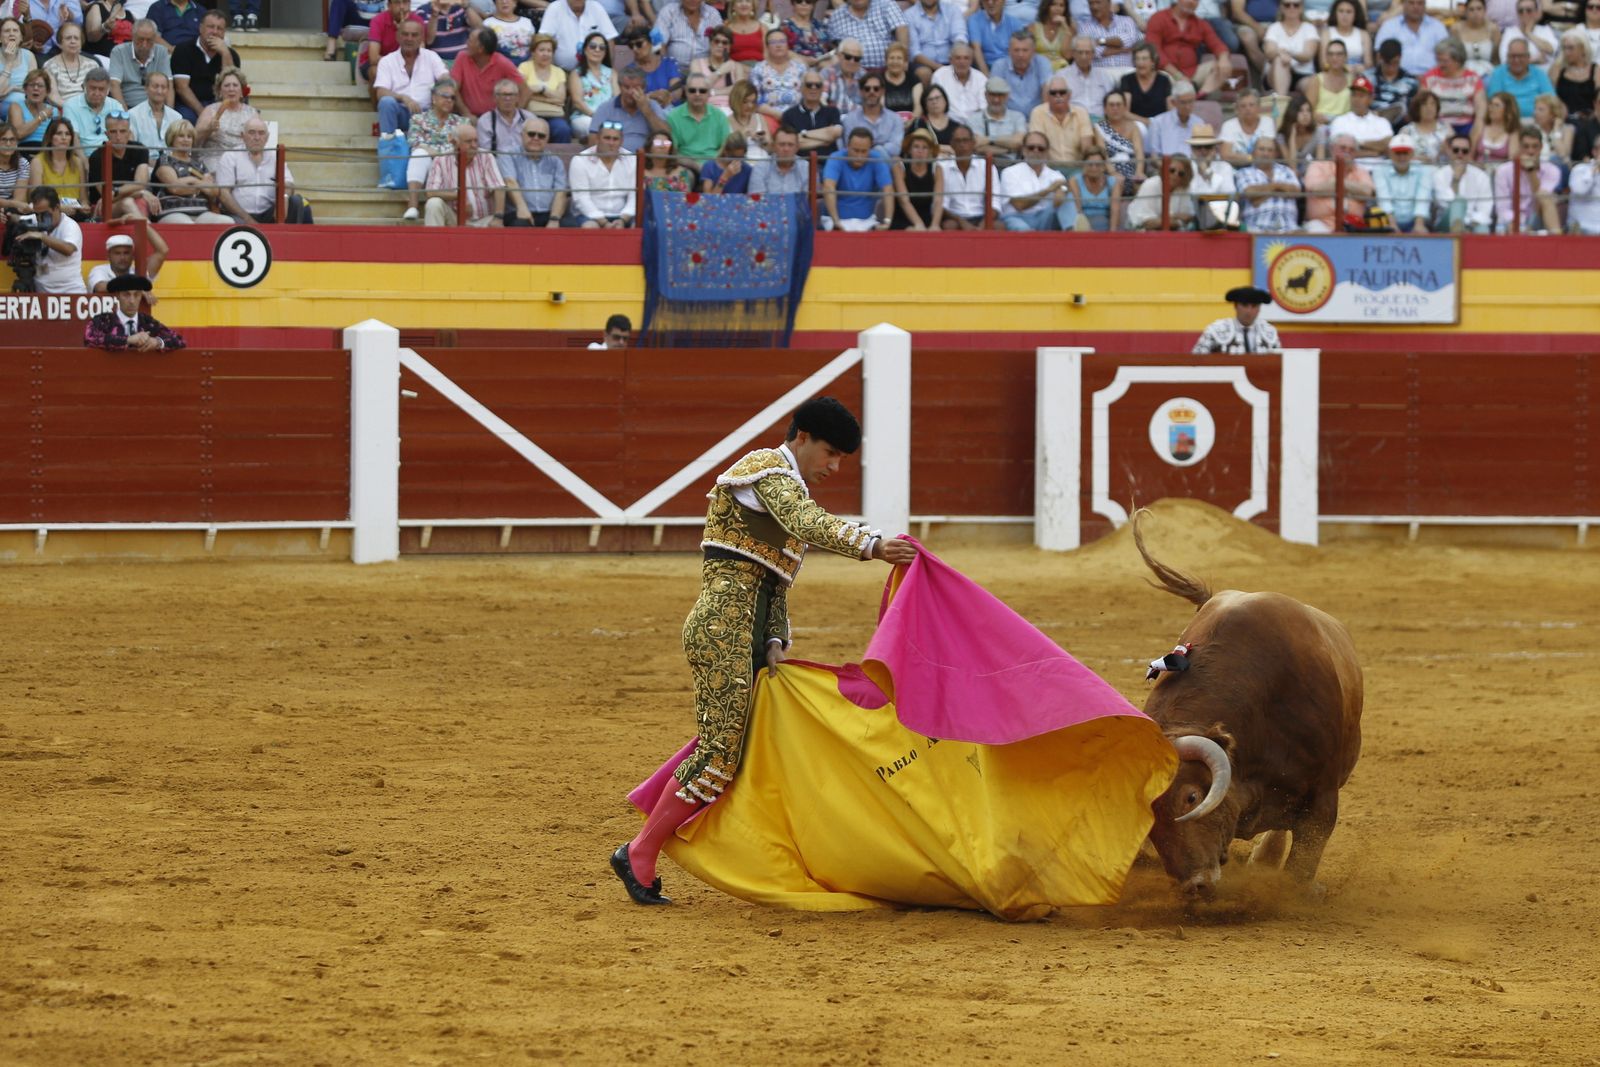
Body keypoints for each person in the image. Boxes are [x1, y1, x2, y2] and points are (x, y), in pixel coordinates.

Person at [612, 396, 918, 907]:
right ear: (801, 438)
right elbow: (807, 521)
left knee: (737, 748)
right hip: (722, 629)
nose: (834, 467)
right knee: (719, 753)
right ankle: (639, 853)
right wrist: (873, 545)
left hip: (748, 632)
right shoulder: (765, 471)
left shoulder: (783, 486)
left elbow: (773, 584)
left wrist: (774, 641)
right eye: (830, 453)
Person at [217, 117, 314, 223]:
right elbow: (224, 194)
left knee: (296, 201)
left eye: (261, 133)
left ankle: (293, 239)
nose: (257, 137)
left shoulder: (275, 156)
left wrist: (283, 198)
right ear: (242, 136)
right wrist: (248, 220)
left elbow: (289, 184)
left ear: (267, 137)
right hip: (239, 216)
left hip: (269, 214)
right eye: (251, 133)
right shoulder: (230, 156)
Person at [400, 78, 470, 219]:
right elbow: (414, 142)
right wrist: (441, 152)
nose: (449, 100)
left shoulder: (462, 122)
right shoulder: (418, 119)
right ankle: (413, 206)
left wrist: (435, 152)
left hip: (451, 166)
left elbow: (462, 147)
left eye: (452, 97)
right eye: (445, 96)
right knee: (419, 154)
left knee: (423, 152)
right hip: (427, 164)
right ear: (433, 98)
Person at [375, 19, 448, 135]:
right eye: (405, 34)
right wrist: (403, 98)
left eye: (414, 35)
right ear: (398, 36)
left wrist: (443, 83)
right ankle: (389, 147)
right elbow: (381, 92)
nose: (409, 39)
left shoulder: (431, 57)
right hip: (401, 112)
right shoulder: (387, 61)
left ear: (421, 38)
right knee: (386, 102)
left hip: (427, 114)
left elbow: (445, 79)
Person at [423, 122, 507, 224]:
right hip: (455, 220)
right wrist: (460, 196)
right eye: (468, 142)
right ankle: (434, 240)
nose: (474, 145)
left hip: (484, 221)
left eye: (476, 141)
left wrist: (498, 217)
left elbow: (498, 187)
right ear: (455, 143)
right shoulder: (440, 160)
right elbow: (431, 192)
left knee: (496, 223)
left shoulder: (486, 156)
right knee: (433, 204)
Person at [154, 119, 234, 223]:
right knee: (187, 224)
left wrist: (188, 183)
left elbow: (214, 191)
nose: (186, 140)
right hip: (173, 212)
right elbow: (175, 188)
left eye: (189, 136)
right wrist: (197, 181)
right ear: (172, 138)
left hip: (201, 212)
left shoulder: (198, 163)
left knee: (227, 221)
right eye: (181, 136)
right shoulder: (165, 160)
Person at [1146, 0, 1229, 96]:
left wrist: (1224, 58)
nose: (1191, 2)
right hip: (1166, 73)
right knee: (1162, 79)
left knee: (1221, 67)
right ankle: (1188, 95)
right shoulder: (1158, 18)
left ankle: (1200, 95)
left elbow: (1217, 44)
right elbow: (1154, 51)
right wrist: (1177, 75)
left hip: (1191, 74)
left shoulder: (1200, 23)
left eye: (1196, 0)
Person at [83, 273, 185, 350]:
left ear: (141, 296)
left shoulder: (148, 323)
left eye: (136, 295)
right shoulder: (104, 320)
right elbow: (89, 338)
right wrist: (128, 339)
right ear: (118, 296)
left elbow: (180, 340)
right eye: (126, 295)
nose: (132, 301)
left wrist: (157, 342)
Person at [13, 185, 85, 294]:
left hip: (70, 292)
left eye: (45, 214)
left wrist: (41, 236)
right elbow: (15, 218)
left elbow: (69, 249)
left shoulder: (70, 225)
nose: (40, 218)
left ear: (56, 208)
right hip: (41, 294)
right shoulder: (35, 220)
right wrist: (9, 216)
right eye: (37, 214)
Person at [171, 10, 241, 121]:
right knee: (185, 120)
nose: (215, 32)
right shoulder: (183, 50)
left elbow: (231, 86)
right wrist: (203, 113)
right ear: (200, 28)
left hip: (220, 103)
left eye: (219, 28)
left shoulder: (231, 55)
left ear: (224, 33)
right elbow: (182, 88)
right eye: (211, 27)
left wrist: (225, 53)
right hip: (189, 105)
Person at [999, 129, 1076, 228]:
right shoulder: (1010, 172)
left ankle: (1073, 233)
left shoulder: (1055, 175)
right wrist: (1049, 190)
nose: (1036, 151)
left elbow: (1062, 193)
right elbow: (1019, 205)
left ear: (1047, 152)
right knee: (1023, 229)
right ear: (1024, 150)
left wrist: (1063, 192)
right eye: (1031, 147)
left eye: (1041, 148)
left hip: (1045, 217)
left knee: (1067, 198)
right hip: (1018, 218)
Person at [501, 114, 570, 224]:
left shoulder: (555, 161)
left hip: (548, 214)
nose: (536, 138)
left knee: (571, 226)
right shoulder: (508, 155)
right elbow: (510, 182)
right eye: (531, 134)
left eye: (541, 136)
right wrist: (522, 209)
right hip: (518, 212)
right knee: (520, 225)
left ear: (547, 139)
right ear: (522, 135)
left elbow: (560, 192)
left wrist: (554, 219)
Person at [87, 113, 157, 220]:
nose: (118, 137)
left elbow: (141, 183)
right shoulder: (97, 157)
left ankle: (145, 232)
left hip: (132, 201)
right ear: (106, 134)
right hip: (103, 208)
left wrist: (116, 191)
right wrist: (140, 193)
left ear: (129, 133)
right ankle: (147, 234)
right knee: (128, 202)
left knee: (140, 202)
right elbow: (107, 196)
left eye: (123, 131)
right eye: (113, 132)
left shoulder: (140, 150)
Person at [822, 125, 893, 229]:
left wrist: (887, 222)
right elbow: (828, 186)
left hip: (867, 222)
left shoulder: (877, 158)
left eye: (864, 151)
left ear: (870, 148)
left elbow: (888, 189)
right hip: (837, 221)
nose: (859, 156)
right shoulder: (836, 157)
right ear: (847, 146)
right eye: (855, 150)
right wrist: (836, 222)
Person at [1493, 123, 1561, 230]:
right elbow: (1502, 209)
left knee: (1546, 198)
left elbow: (1541, 199)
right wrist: (1519, 223)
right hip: (1512, 221)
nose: (1530, 151)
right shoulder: (1503, 170)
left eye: (1535, 146)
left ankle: (1559, 242)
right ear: (1519, 147)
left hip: (1538, 218)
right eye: (1526, 146)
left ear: (1541, 147)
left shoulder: (1552, 170)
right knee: (1509, 224)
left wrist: (1531, 171)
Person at [570, 117, 636, 224]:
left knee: (639, 227)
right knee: (591, 227)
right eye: (607, 138)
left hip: (622, 215)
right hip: (589, 216)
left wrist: (623, 219)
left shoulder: (632, 160)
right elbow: (581, 198)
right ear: (597, 139)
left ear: (621, 141)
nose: (611, 143)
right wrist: (603, 222)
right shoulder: (580, 160)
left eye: (615, 139)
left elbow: (634, 196)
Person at [1302, 131, 1374, 230]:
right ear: (1332, 149)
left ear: (1356, 154)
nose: (1347, 152)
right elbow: (1315, 188)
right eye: (1342, 148)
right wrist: (1352, 190)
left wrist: (1337, 183)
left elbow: (1367, 192)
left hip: (1354, 224)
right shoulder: (1318, 165)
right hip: (1321, 223)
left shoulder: (1361, 171)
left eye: (1351, 150)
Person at [586, 63, 667, 150]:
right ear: (620, 87)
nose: (631, 92)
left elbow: (667, 136)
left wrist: (646, 109)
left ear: (644, 88)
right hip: (614, 158)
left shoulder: (652, 106)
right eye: (627, 87)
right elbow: (593, 141)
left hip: (646, 159)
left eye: (636, 88)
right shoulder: (605, 108)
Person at [1421, 38, 1485, 139]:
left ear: (1458, 61)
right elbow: (1423, 107)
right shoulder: (1430, 77)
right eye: (1438, 60)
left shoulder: (1473, 78)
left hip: (1467, 126)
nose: (1440, 64)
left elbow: (1481, 108)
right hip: (1438, 126)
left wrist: (1477, 129)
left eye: (1445, 61)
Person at [1234, 135, 1301, 232]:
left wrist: (1261, 195)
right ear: (1253, 152)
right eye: (1261, 149)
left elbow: (1296, 191)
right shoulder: (1243, 173)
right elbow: (1250, 193)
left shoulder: (1286, 171)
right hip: (1257, 227)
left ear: (1276, 154)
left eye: (1270, 150)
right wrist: (1278, 187)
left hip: (1289, 227)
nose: (1266, 153)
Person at [939, 121, 1000, 226]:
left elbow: (995, 202)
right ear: (952, 144)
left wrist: (984, 222)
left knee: (999, 226)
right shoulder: (942, 168)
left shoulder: (986, 166)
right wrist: (961, 221)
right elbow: (942, 205)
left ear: (973, 143)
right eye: (957, 141)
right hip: (955, 218)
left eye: (965, 140)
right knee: (949, 225)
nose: (962, 144)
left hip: (982, 216)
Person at [1430, 129, 1493, 230]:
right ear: (1449, 151)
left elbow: (1485, 208)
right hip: (1446, 222)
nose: (1460, 154)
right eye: (1456, 150)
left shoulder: (1481, 176)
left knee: (1483, 229)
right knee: (1458, 202)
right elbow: (1444, 203)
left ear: (1469, 153)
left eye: (1464, 151)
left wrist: (1469, 224)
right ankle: (1459, 232)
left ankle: (1461, 231)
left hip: (1472, 223)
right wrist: (1456, 180)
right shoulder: (1439, 174)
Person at [194, 68, 259, 166]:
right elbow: (194, 139)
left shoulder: (251, 113)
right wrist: (208, 129)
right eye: (227, 85)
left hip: (243, 161)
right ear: (219, 91)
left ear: (242, 91)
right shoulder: (210, 110)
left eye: (235, 85)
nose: (231, 89)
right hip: (215, 159)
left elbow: (258, 140)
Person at [454, 26, 523, 117]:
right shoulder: (462, 57)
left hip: (496, 119)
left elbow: (525, 90)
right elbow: (453, 89)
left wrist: (514, 115)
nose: (466, 43)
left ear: (480, 48)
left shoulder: (502, 63)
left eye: (470, 41)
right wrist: (466, 113)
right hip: (467, 117)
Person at [32, 118, 91, 220]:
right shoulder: (38, 161)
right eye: (59, 133)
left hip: (75, 213)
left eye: (67, 134)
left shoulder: (78, 162)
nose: (64, 137)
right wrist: (60, 208)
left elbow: (84, 198)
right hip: (49, 213)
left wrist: (84, 206)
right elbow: (36, 198)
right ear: (50, 138)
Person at [1193, 285, 1280, 354]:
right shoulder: (1216, 330)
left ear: (1259, 308)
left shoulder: (1269, 332)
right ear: (1235, 306)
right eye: (1244, 305)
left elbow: (1280, 363)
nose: (1249, 311)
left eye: (1254, 306)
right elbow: (1196, 360)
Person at [827, 0, 909, 72]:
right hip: (854, 73)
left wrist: (904, 58)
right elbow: (833, 46)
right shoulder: (836, 16)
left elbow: (901, 28)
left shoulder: (886, 4)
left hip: (888, 70)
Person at [519, 34, 573, 142]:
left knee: (563, 129)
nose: (546, 54)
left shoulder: (559, 72)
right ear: (533, 52)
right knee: (532, 129)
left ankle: (559, 159)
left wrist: (542, 89)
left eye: (549, 50)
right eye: (542, 50)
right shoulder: (524, 67)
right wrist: (552, 99)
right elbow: (524, 93)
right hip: (529, 113)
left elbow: (561, 98)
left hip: (554, 115)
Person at [667, 71, 730, 163]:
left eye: (702, 91)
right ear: (686, 91)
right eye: (692, 90)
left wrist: (712, 167)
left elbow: (725, 147)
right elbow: (673, 152)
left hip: (713, 165)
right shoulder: (673, 116)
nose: (697, 94)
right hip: (686, 165)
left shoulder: (720, 116)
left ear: (709, 93)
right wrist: (694, 166)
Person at [1373, 0, 1448, 78]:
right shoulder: (1389, 26)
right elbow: (1380, 56)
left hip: (1432, 79)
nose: (1416, 7)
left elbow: (1447, 56)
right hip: (1397, 79)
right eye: (1411, 3)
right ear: (1403, 5)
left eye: (1420, 3)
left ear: (1425, 5)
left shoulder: (1438, 27)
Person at [107, 19, 170, 111]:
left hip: (155, 107)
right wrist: (125, 114)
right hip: (128, 105)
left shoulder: (162, 52)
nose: (144, 44)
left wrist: (168, 113)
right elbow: (114, 85)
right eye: (140, 39)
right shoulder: (119, 51)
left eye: (149, 40)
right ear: (132, 36)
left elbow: (169, 84)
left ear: (155, 38)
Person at [1372, 131, 1430, 229]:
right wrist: (1392, 224)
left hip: (1416, 221)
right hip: (1387, 221)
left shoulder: (1424, 170)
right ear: (1390, 153)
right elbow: (1383, 197)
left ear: (1412, 154)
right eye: (1398, 153)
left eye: (1405, 153)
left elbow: (1423, 197)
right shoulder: (1379, 169)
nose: (1402, 157)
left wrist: (1419, 224)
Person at [1029, 73, 1094, 160]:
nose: (1058, 96)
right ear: (1048, 96)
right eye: (1053, 93)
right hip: (1049, 167)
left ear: (1069, 95)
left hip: (1076, 168)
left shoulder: (1081, 112)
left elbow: (1086, 147)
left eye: (1062, 92)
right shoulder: (1038, 112)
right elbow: (1038, 145)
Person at [541, 0, 618, 73]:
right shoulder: (554, 8)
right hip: (561, 72)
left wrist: (607, 69)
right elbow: (544, 40)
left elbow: (609, 40)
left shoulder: (596, 8)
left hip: (593, 72)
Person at [1485, 38, 1553, 118]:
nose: (1516, 60)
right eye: (1513, 56)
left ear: (1528, 57)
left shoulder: (1539, 74)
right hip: (1507, 122)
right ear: (1507, 57)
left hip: (1537, 121)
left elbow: (1551, 100)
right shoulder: (1498, 73)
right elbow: (1494, 102)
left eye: (1521, 56)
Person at [65, 68, 129, 152]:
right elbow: (74, 138)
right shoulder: (70, 105)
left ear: (108, 90)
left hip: (111, 154)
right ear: (84, 86)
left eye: (101, 89)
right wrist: (84, 161)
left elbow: (125, 135)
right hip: (83, 155)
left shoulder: (115, 106)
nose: (96, 93)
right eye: (93, 88)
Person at [890, 125, 943, 227]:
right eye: (916, 146)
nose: (920, 151)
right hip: (903, 217)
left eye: (925, 147)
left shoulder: (936, 169)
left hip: (927, 216)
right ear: (909, 149)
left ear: (930, 151)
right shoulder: (900, 167)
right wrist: (918, 224)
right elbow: (903, 200)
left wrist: (935, 224)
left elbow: (938, 200)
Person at [782, 68, 843, 155]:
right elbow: (793, 144)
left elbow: (836, 132)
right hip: (801, 164)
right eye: (809, 85)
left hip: (827, 163)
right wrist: (826, 139)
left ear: (822, 89)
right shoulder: (789, 115)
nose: (813, 88)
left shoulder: (832, 111)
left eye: (818, 85)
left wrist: (803, 134)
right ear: (801, 88)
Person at [1264, 0, 1319, 96]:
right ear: (1281, 7)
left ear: (1302, 7)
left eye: (1296, 5)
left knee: (1311, 84)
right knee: (1280, 61)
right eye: (1287, 5)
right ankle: (1281, 102)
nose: (1291, 8)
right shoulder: (1274, 28)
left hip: (1303, 75)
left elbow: (1307, 55)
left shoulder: (1309, 28)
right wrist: (1280, 54)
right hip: (1276, 74)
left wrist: (1288, 52)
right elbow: (1269, 52)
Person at [361, 0, 426, 80]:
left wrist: (403, 32)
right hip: (380, 62)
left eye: (405, 2)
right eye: (397, 2)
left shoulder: (417, 21)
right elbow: (374, 58)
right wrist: (397, 65)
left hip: (407, 64)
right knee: (376, 72)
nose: (402, 7)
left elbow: (420, 52)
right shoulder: (378, 20)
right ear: (389, 5)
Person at [1185, 122, 1235, 228]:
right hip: (1192, 218)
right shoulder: (1186, 166)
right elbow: (1191, 197)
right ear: (1192, 149)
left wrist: (1207, 171)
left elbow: (1229, 194)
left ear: (1214, 149)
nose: (1203, 151)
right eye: (1198, 147)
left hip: (1220, 218)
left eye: (1207, 147)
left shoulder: (1224, 167)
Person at [750, 26, 804, 122]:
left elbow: (807, 97)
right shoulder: (758, 69)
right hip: (769, 116)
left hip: (799, 116)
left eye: (782, 41)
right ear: (767, 47)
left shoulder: (800, 68)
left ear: (788, 45)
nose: (778, 45)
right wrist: (779, 115)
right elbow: (755, 101)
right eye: (773, 42)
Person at [1096, 87, 1145, 193]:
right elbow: (1103, 154)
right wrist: (1113, 173)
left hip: (1132, 170)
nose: (1115, 108)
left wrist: (1139, 172)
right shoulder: (1099, 128)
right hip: (1109, 173)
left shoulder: (1133, 127)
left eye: (1118, 105)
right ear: (1105, 109)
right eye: (1111, 105)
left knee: (1142, 184)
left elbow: (1139, 152)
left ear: (1124, 108)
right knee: (1116, 182)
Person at [86, 229, 169, 292]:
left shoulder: (139, 270)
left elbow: (163, 251)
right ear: (108, 256)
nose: (122, 257)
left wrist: (142, 222)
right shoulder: (99, 270)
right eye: (117, 253)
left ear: (132, 256)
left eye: (126, 253)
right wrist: (136, 289)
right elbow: (100, 287)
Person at [1126, 153, 1195, 227]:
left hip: (1171, 231)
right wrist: (1175, 220)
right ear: (1164, 169)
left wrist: (1170, 219)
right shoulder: (1150, 185)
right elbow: (1148, 222)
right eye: (1172, 170)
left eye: (1181, 174)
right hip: (1139, 231)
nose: (1175, 175)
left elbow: (1188, 216)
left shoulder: (1184, 187)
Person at [1076, 0, 1142, 77]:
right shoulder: (1084, 27)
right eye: (1091, 3)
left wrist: (1100, 41)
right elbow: (1094, 52)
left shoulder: (1127, 21)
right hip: (1100, 73)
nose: (1094, 7)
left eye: (1098, 2)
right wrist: (1123, 49)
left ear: (1109, 3)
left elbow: (1130, 41)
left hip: (1126, 71)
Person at [1328, 75, 1391, 155]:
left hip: (1379, 166)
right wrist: (1376, 152)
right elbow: (1340, 152)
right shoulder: (1339, 121)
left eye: (1361, 96)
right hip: (1349, 166)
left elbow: (1387, 147)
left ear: (1371, 99)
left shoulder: (1382, 122)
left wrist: (1357, 144)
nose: (1356, 99)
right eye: (1354, 95)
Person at [906, 0, 968, 81]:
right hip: (923, 63)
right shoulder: (909, 15)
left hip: (951, 60)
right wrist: (941, 69)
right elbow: (914, 53)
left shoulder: (953, 9)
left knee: (963, 62)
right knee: (924, 73)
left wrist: (957, 59)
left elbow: (960, 36)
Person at [993, 29, 1052, 114]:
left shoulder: (1042, 63)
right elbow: (995, 96)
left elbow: (1047, 92)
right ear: (1009, 51)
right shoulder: (999, 66)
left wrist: (1043, 118)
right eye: (1016, 50)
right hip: (1008, 119)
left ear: (1033, 51)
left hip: (1036, 117)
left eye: (1025, 50)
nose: (1020, 55)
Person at [842, 71, 904, 151]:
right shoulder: (850, 119)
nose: (872, 92)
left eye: (876, 89)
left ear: (882, 91)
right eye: (867, 89)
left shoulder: (895, 119)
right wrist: (879, 148)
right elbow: (850, 148)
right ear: (861, 92)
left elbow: (896, 148)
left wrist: (867, 149)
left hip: (885, 162)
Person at [655, 0, 721, 70]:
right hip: (675, 70)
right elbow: (656, 42)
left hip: (706, 70)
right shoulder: (668, 11)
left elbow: (723, 41)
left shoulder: (712, 14)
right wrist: (666, 67)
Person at [1144, 78, 1202, 157]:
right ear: (1174, 102)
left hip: (1192, 167)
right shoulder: (1158, 122)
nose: (1188, 107)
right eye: (1183, 102)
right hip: (1166, 167)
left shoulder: (1199, 123)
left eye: (1190, 101)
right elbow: (1153, 155)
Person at [127, 71, 179, 160]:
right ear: (146, 88)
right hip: (143, 164)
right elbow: (132, 149)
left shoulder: (177, 117)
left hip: (171, 165)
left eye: (163, 87)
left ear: (168, 90)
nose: (159, 91)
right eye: (155, 86)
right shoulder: (133, 115)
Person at [931, 42, 987, 124]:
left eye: (966, 58)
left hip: (976, 124)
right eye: (958, 58)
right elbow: (936, 105)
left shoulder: (981, 78)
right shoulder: (939, 76)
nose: (962, 62)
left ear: (971, 61)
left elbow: (984, 107)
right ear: (950, 60)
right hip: (948, 123)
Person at [1219, 87, 1276, 167]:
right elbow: (1225, 156)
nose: (1248, 109)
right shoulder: (1228, 125)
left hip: (1263, 168)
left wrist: (1239, 157)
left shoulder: (1267, 122)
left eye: (1251, 105)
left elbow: (1268, 152)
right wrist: (1251, 158)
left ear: (1259, 107)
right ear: (1237, 109)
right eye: (1243, 106)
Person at [973, 75, 1027, 156]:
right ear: (985, 95)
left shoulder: (1018, 117)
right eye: (992, 95)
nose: (996, 100)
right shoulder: (974, 118)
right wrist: (1009, 149)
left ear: (1007, 96)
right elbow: (977, 147)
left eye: (1000, 95)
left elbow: (1019, 142)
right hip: (984, 165)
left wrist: (989, 139)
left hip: (1013, 166)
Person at [691, 25, 741, 112]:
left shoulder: (737, 66)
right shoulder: (697, 63)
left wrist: (713, 92)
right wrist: (720, 72)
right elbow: (699, 89)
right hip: (707, 108)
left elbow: (740, 90)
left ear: (729, 47)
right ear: (710, 43)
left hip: (732, 109)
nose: (720, 45)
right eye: (716, 41)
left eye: (725, 42)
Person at [1551, 31, 1598, 123]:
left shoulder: (1596, 70)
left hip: (1590, 120)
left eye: (1571, 48)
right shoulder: (1558, 70)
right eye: (1564, 48)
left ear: (1583, 48)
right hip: (1564, 120)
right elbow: (1551, 96)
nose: (1566, 52)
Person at [1371, 36, 1419, 126]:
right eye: (1387, 63)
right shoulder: (1367, 78)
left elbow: (1414, 110)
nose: (1391, 67)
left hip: (1401, 126)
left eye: (1395, 63)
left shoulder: (1411, 81)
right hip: (1372, 123)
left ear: (1400, 57)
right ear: (1380, 58)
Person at [44, 21, 94, 107]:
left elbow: (98, 92)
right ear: (60, 43)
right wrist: (72, 109)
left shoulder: (92, 65)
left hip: (89, 108)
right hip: (63, 110)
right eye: (68, 38)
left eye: (76, 38)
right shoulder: (50, 66)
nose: (73, 41)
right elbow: (52, 96)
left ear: (81, 42)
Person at [750, 123, 810, 194]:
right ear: (773, 146)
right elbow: (757, 200)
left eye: (790, 145)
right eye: (782, 144)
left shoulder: (807, 168)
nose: (786, 149)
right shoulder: (760, 167)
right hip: (768, 205)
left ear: (797, 147)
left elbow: (807, 201)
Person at [1062, 34, 1116, 109]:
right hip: (1074, 118)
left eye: (1087, 52)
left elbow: (1112, 100)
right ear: (1073, 53)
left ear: (1093, 54)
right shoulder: (1062, 76)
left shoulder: (1103, 75)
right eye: (1080, 52)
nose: (1084, 57)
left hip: (1100, 119)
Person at [1071, 145, 1120, 228]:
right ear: (1084, 165)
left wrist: (1112, 235)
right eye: (1090, 165)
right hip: (1083, 222)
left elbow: (1115, 211)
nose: (1094, 168)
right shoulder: (1075, 180)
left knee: (1099, 221)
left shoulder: (1113, 182)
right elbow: (1077, 210)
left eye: (1098, 165)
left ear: (1104, 167)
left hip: (1104, 220)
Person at [1307, 38, 1353, 123]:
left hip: (1346, 125)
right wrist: (1316, 116)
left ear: (1345, 57)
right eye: (1330, 54)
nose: (1334, 58)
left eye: (1339, 54)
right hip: (1321, 124)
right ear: (1326, 57)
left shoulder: (1352, 80)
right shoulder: (1317, 79)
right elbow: (1309, 110)